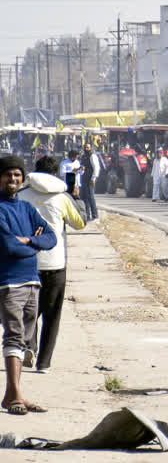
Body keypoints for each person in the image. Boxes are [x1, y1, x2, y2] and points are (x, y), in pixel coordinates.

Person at [0, 156, 57, 415]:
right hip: (9, 283)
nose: (13, 179)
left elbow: (51, 237)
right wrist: (28, 243)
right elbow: (8, 246)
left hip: (33, 280)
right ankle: (17, 397)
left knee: (24, 341)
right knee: (13, 337)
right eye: (8, 175)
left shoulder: (26, 208)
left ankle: (12, 395)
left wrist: (29, 242)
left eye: (17, 175)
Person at [20, 156, 84, 372]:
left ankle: (29, 344)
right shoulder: (62, 197)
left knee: (28, 312)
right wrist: (77, 198)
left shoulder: (21, 195)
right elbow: (80, 223)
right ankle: (44, 363)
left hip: (27, 262)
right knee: (52, 315)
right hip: (55, 263)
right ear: (56, 174)